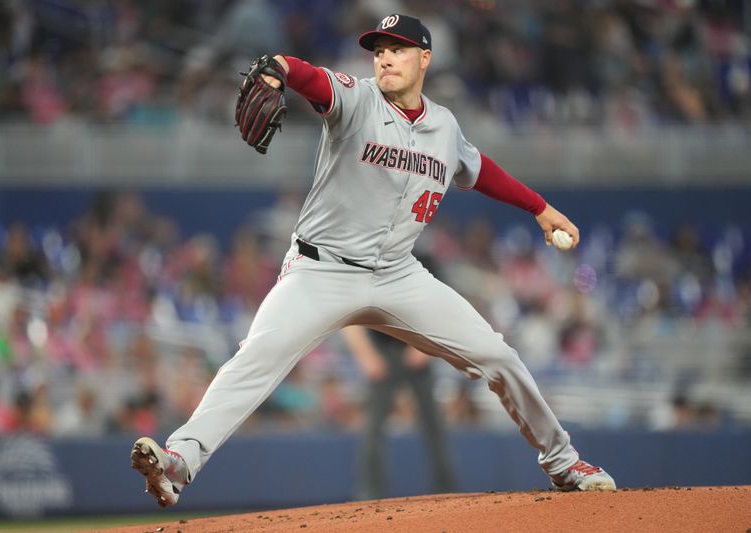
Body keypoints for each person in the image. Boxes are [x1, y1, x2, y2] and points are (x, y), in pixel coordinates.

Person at [130, 13, 616, 508]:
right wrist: (277, 68)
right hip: (321, 270)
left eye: (398, 48)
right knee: (255, 359)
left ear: (425, 58)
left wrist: (540, 207)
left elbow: (478, 168)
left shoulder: (444, 126)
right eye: (379, 48)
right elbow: (310, 77)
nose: (384, 56)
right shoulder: (357, 100)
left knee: (497, 357)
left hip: (398, 274)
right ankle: (180, 459)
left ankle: (564, 462)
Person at [344, 325, 456, 499]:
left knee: (434, 425)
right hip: (381, 351)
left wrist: (427, 347)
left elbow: (442, 310)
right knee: (372, 428)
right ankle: (370, 495)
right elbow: (350, 321)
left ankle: (448, 491)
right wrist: (366, 355)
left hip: (418, 343)